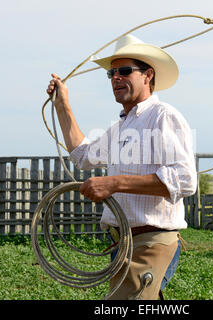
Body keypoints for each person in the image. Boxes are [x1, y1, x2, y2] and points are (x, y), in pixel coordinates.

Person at [46, 34, 197, 300]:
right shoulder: (121, 128)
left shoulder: (163, 117)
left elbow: (185, 180)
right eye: (111, 73)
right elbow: (82, 155)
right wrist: (62, 105)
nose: (116, 77)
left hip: (151, 242)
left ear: (148, 75)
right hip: (124, 243)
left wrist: (114, 183)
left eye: (125, 70)